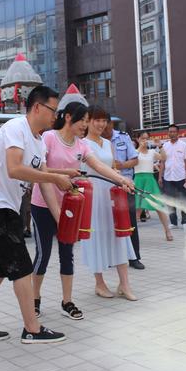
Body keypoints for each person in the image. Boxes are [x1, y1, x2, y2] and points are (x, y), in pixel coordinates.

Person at [0, 85, 72, 344]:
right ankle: (32, 329)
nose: (55, 116)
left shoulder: (38, 141)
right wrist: (54, 177)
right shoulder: (16, 128)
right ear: (37, 107)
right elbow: (15, 169)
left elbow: (44, 182)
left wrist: (60, 219)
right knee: (22, 267)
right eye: (52, 110)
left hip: (4, 207)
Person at [31, 101, 133, 319]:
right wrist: (66, 171)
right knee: (44, 254)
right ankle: (35, 299)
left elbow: (100, 166)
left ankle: (67, 301)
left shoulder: (81, 145)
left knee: (67, 255)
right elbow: (39, 169)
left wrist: (120, 179)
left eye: (88, 122)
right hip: (42, 205)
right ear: (68, 117)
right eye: (83, 121)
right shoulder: (48, 138)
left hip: (70, 206)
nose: (85, 126)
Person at [82, 106, 137, 301]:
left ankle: (124, 284)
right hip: (94, 195)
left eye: (104, 121)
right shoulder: (82, 144)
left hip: (112, 194)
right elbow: (94, 168)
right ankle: (99, 283)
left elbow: (113, 167)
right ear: (88, 121)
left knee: (120, 236)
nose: (101, 124)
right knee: (96, 237)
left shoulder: (108, 143)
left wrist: (121, 180)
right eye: (97, 120)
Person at [103, 120, 143, 269]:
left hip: (125, 185)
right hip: (106, 187)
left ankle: (134, 257)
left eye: (106, 126)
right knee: (108, 222)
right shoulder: (96, 140)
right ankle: (112, 258)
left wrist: (121, 165)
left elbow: (135, 160)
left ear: (111, 125)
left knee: (130, 222)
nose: (103, 129)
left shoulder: (123, 137)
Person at [134, 131, 173, 241]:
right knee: (138, 208)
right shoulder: (135, 152)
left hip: (150, 180)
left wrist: (160, 145)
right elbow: (131, 160)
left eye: (147, 138)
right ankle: (133, 234)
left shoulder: (151, 152)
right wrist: (139, 149)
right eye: (142, 138)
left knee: (158, 206)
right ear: (138, 139)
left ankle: (167, 231)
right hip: (138, 180)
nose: (145, 141)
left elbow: (163, 158)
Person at [158, 124, 186, 229]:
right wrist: (160, 177)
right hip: (168, 177)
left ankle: (185, 222)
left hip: (181, 177)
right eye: (170, 132)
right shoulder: (164, 146)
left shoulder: (183, 145)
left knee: (183, 200)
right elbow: (162, 163)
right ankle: (173, 222)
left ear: (178, 133)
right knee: (170, 200)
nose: (172, 133)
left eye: (174, 131)